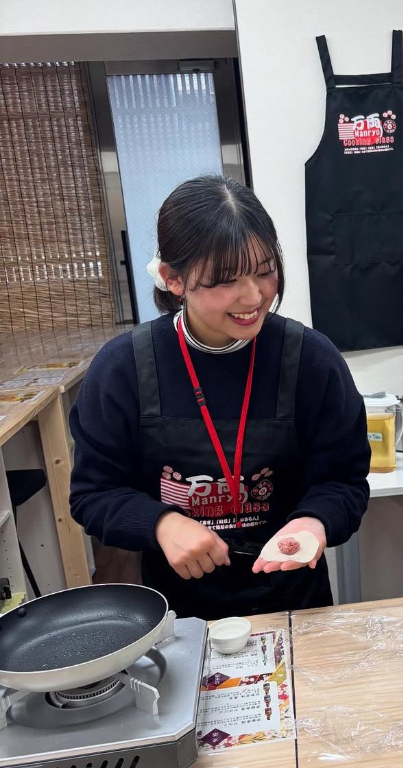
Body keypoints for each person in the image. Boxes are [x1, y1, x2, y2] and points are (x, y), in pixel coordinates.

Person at [70, 175, 370, 620]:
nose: (253, 297)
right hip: (177, 615)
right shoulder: (124, 367)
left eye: (265, 270)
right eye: (224, 281)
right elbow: (93, 494)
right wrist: (161, 522)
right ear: (174, 279)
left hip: (296, 605)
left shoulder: (311, 360)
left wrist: (315, 521)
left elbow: (344, 482)